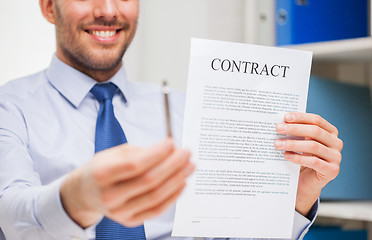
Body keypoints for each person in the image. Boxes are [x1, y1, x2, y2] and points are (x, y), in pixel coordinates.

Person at [0, 0, 343, 239]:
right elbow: (10, 216)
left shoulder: (186, 111)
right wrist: (79, 196)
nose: (107, 10)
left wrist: (294, 201)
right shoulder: (9, 109)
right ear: (48, 7)